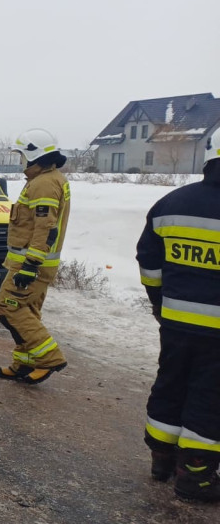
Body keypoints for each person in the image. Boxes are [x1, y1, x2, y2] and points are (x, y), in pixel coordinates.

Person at [136, 128, 220, 502]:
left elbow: (149, 260)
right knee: (210, 396)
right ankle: (197, 476)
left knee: (171, 382)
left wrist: (159, 300)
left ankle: (162, 458)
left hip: (175, 322)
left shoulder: (172, 203)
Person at [0, 129, 71, 385]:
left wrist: (30, 264)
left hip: (30, 265)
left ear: (33, 154)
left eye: (22, 155)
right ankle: (24, 363)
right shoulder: (45, 179)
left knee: (9, 308)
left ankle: (49, 359)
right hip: (33, 263)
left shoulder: (44, 183)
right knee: (27, 310)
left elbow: (45, 227)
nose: (21, 161)